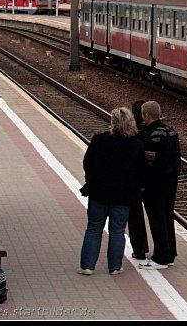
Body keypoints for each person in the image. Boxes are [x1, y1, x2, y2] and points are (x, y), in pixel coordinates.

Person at [79, 106, 143, 276]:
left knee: (94, 228)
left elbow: (87, 163)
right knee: (117, 231)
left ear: (113, 122)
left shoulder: (99, 140)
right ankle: (114, 267)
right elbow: (141, 171)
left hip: (99, 192)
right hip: (123, 195)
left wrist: (91, 179)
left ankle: (87, 266)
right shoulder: (136, 145)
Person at [139, 100, 181, 270]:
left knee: (157, 219)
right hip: (171, 182)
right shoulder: (171, 132)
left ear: (146, 115)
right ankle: (170, 254)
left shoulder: (151, 136)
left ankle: (160, 257)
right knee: (167, 216)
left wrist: (143, 183)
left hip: (155, 185)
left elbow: (149, 163)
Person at [127, 100, 150, 261]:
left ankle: (140, 250)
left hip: (133, 184)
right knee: (159, 217)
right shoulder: (156, 133)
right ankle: (165, 251)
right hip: (152, 182)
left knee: (134, 218)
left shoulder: (132, 137)